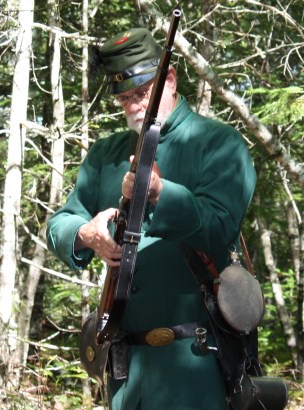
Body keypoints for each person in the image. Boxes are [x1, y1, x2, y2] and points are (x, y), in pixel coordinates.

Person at [46, 26, 257, 409]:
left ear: (170, 80)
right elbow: (59, 224)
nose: (133, 107)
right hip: (127, 374)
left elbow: (218, 228)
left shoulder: (219, 144)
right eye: (125, 98)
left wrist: (162, 194)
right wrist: (85, 233)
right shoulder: (106, 155)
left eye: (142, 93)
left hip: (198, 368)